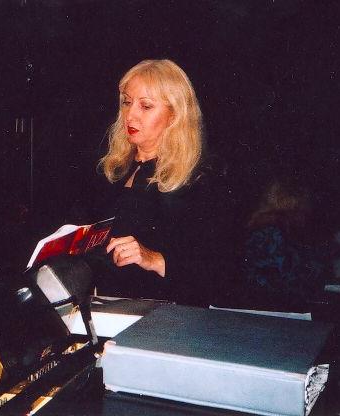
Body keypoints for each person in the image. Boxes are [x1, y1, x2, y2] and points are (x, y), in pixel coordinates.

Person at [79, 59, 229, 306]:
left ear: (174, 115)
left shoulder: (201, 179)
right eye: (127, 102)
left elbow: (217, 273)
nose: (130, 114)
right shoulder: (111, 169)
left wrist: (154, 259)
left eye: (145, 106)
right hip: (106, 310)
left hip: (168, 318)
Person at [241, 176, 329, 309]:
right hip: (273, 309)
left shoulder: (274, 228)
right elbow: (284, 280)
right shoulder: (270, 233)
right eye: (305, 200)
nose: (308, 206)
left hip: (272, 305)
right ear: (292, 202)